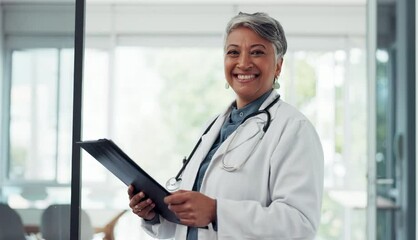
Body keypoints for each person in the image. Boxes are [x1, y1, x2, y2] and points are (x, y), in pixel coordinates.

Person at [127, 12, 324, 240]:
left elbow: (301, 225)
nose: (243, 63)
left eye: (257, 52)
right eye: (233, 52)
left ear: (278, 66)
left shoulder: (294, 129)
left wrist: (216, 212)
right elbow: (189, 223)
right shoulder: (213, 127)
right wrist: (154, 215)